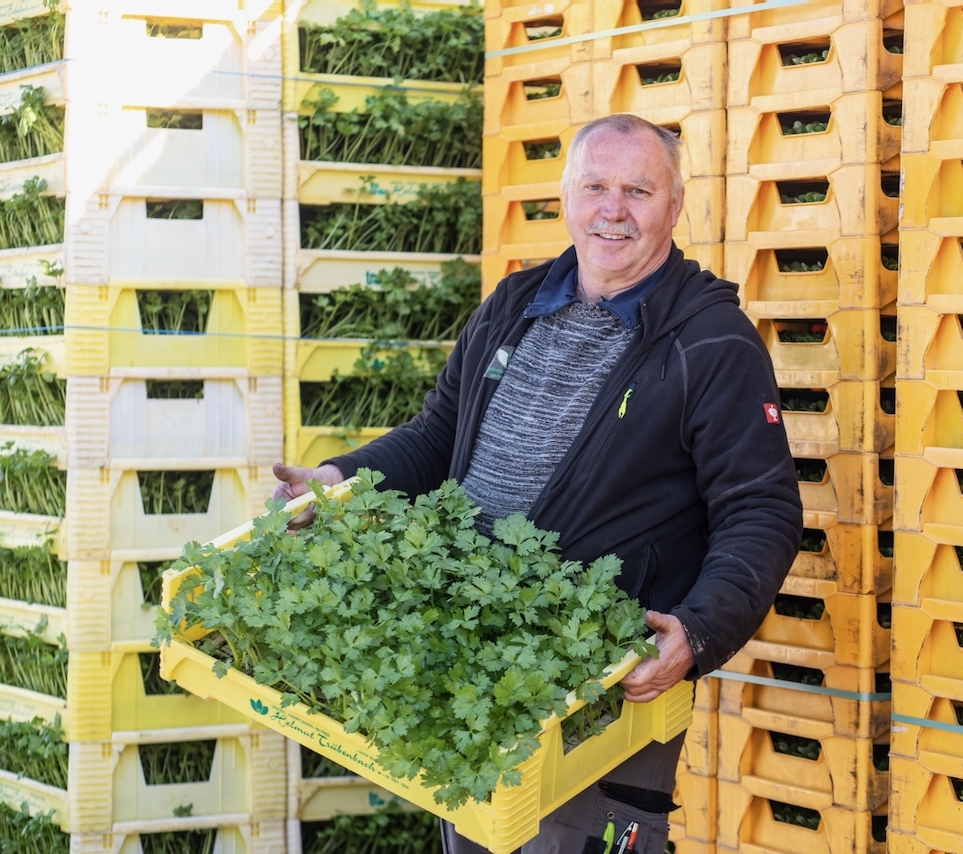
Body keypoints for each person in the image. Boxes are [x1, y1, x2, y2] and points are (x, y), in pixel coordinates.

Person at [272, 113, 803, 854]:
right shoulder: (512, 306)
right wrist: (339, 478)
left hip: (600, 682)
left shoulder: (711, 343)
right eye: (595, 187)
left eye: (638, 191)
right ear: (566, 199)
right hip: (474, 659)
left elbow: (762, 509)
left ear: (676, 205)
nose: (613, 210)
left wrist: (698, 631)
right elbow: (436, 435)